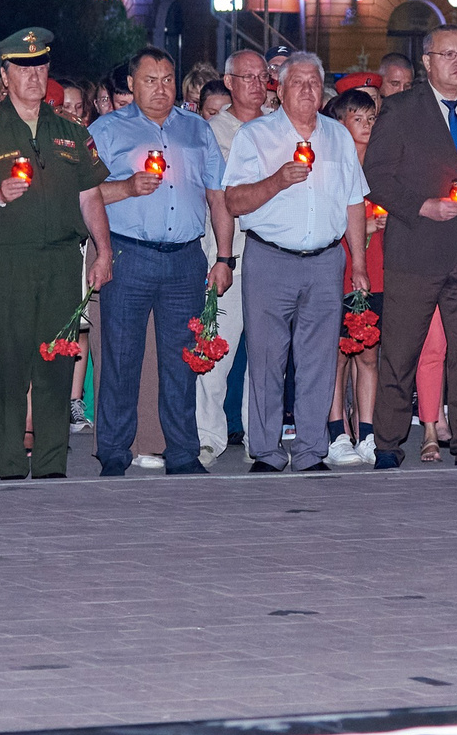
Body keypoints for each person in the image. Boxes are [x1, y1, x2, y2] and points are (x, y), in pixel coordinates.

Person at [0, 27, 110, 478]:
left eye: (40, 65)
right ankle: (11, 461)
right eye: (23, 66)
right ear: (5, 74)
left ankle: (54, 461)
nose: (34, 74)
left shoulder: (71, 130)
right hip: (6, 260)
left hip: (61, 258)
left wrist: (104, 252)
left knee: (57, 361)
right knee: (9, 362)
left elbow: (90, 195)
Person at [361, 27, 457, 466]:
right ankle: (388, 444)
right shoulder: (401, 108)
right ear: (427, 61)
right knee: (400, 351)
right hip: (416, 249)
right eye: (448, 54)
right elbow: (376, 173)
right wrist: (421, 206)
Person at [88, 48, 232, 476]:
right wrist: (128, 187)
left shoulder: (196, 130)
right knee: (121, 357)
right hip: (129, 253)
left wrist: (223, 256)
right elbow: (84, 193)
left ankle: (183, 452)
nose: (160, 88)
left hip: (185, 258)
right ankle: (114, 452)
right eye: (150, 80)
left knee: (181, 359)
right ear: (130, 84)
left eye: (168, 79)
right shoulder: (107, 129)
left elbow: (217, 195)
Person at [224, 53, 368, 472]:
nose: (306, 89)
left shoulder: (339, 137)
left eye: (313, 82)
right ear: (280, 90)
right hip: (271, 258)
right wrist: (277, 180)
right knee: (267, 358)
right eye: (297, 82)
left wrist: (357, 263)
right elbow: (233, 200)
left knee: (319, 360)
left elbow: (354, 201)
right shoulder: (255, 136)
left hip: (325, 261)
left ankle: (310, 451)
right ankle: (267, 451)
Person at [195, 49, 269, 462]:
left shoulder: (280, 128)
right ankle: (208, 435)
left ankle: (261, 439)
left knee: (266, 353)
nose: (257, 85)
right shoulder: (210, 130)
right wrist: (220, 258)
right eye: (248, 77)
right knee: (217, 347)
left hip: (275, 253)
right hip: (229, 256)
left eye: (262, 77)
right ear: (229, 82)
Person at [328, 86, 385, 465]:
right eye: (357, 119)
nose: (365, 126)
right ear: (340, 124)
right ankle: (336, 433)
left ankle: (367, 431)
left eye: (371, 119)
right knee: (336, 355)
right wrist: (359, 227)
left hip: (376, 271)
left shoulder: (382, 169)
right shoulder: (331, 166)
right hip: (338, 268)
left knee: (368, 354)